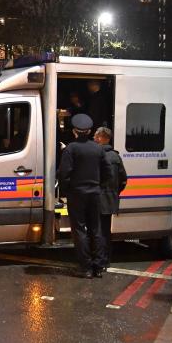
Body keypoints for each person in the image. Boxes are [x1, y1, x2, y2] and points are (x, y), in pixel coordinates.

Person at [58, 113, 109, 278]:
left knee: (79, 229)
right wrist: (98, 185)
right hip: (94, 193)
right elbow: (107, 172)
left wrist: (65, 191)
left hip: (77, 194)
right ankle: (99, 266)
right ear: (89, 131)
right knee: (96, 228)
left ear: (74, 131)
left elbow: (64, 173)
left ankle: (85, 267)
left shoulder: (71, 149)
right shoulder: (98, 149)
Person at [94, 127, 127, 268]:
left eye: (96, 136)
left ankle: (99, 261)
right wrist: (114, 193)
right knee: (106, 231)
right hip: (110, 199)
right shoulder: (116, 157)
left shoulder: (97, 155)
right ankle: (106, 260)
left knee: (97, 232)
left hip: (97, 199)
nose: (94, 138)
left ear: (102, 138)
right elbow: (123, 179)